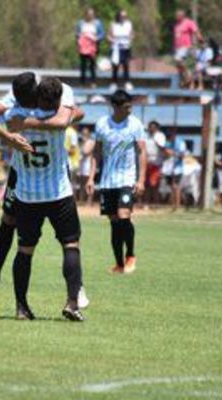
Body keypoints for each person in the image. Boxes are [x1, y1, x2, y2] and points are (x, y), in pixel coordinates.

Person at [0, 73, 89, 315]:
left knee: (24, 248)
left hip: (27, 192)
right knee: (69, 243)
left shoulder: (13, 116)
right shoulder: (55, 100)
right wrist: (9, 137)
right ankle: (72, 297)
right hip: (56, 190)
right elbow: (71, 117)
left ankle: (21, 306)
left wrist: (17, 129)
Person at [87, 89, 146, 274]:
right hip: (107, 181)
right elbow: (96, 152)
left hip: (127, 178)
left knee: (123, 216)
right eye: (126, 107)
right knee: (114, 222)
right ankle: (119, 264)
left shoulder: (135, 124)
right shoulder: (102, 125)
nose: (130, 110)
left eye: (131, 106)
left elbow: (142, 152)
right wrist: (91, 177)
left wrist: (141, 180)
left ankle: (131, 255)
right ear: (115, 106)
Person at [75, 7, 105, 87]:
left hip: (93, 47)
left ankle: (93, 82)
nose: (90, 16)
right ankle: (82, 82)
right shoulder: (81, 23)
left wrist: (95, 38)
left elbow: (102, 34)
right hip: (83, 47)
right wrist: (82, 37)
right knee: (83, 65)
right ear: (86, 15)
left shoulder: (97, 23)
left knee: (92, 64)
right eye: (88, 14)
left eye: (91, 14)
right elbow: (77, 34)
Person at [173, 9, 202, 88]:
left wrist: (200, 38)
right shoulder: (176, 25)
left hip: (186, 46)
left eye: (178, 16)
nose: (176, 17)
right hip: (178, 47)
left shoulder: (188, 22)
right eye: (176, 16)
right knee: (178, 65)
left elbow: (195, 30)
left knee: (178, 60)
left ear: (182, 16)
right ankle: (187, 78)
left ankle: (191, 81)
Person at [108, 10, 134, 91]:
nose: (123, 18)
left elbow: (132, 34)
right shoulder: (113, 24)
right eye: (122, 16)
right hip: (116, 48)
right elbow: (109, 35)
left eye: (125, 16)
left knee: (126, 65)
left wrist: (130, 39)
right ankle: (114, 83)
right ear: (118, 16)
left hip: (125, 47)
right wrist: (112, 40)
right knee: (115, 66)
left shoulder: (129, 24)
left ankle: (127, 82)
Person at [162, 130, 186, 211]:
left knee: (175, 186)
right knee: (172, 187)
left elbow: (182, 156)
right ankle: (173, 204)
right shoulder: (167, 143)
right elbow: (165, 154)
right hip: (169, 168)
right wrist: (167, 153)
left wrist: (173, 153)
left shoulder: (180, 143)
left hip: (177, 169)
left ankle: (177, 205)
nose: (168, 139)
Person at [144, 121, 166, 206]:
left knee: (154, 184)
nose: (150, 129)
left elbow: (163, 148)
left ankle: (155, 203)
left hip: (156, 163)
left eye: (152, 127)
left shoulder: (160, 136)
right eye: (150, 127)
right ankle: (146, 203)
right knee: (146, 185)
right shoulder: (146, 136)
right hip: (147, 162)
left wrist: (157, 143)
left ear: (156, 128)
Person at [77, 126, 96, 205]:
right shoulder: (81, 142)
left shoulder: (91, 141)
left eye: (85, 133)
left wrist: (83, 143)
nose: (83, 135)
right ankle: (82, 200)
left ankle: (89, 201)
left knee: (88, 183)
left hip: (89, 165)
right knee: (81, 184)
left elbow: (86, 151)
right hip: (81, 164)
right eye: (82, 133)